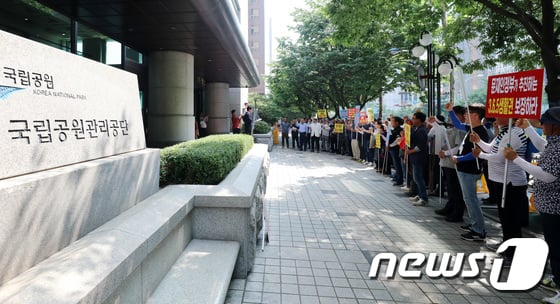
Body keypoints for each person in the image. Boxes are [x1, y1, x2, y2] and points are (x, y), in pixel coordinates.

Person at [503, 108, 560, 304]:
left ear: (554, 126)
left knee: (557, 247)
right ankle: (557, 279)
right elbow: (543, 145)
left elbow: (548, 175)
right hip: (549, 205)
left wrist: (516, 159)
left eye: (544, 123)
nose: (541, 125)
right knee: (554, 245)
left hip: (555, 207)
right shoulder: (555, 142)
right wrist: (528, 128)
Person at [472, 117, 528, 262]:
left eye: (500, 116)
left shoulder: (514, 134)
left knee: (512, 219)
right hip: (500, 181)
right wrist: (478, 141)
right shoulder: (504, 132)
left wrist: (481, 155)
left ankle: (513, 252)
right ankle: (507, 243)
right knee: (504, 217)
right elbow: (492, 148)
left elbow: (501, 157)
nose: (496, 119)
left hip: (511, 182)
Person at [446, 102, 489, 241]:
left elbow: (477, 153)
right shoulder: (471, 128)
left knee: (471, 200)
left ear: (476, 115)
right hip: (465, 169)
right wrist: (451, 111)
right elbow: (458, 125)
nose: (464, 115)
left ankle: (478, 230)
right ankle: (474, 224)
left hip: (470, 170)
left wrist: (460, 158)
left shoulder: (480, 131)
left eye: (467, 113)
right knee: (468, 199)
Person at [435, 106, 467, 222]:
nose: (450, 118)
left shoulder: (461, 130)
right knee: (450, 188)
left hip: (454, 164)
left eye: (453, 115)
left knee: (456, 189)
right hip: (446, 163)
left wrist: (447, 153)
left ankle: (457, 213)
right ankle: (449, 207)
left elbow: (459, 147)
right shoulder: (448, 129)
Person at [406, 112, 429, 206]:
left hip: (419, 157)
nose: (412, 120)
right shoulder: (416, 129)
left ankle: (424, 197)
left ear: (419, 120)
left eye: (414, 118)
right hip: (415, 157)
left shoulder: (422, 131)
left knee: (418, 178)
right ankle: (420, 195)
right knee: (416, 177)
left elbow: (421, 146)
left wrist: (410, 151)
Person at [389, 117, 404, 186]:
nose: (391, 123)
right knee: (395, 164)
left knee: (398, 165)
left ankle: (399, 180)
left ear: (397, 122)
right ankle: (397, 177)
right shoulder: (393, 130)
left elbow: (398, 140)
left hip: (396, 149)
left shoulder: (400, 130)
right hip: (392, 149)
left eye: (392, 121)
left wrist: (391, 145)